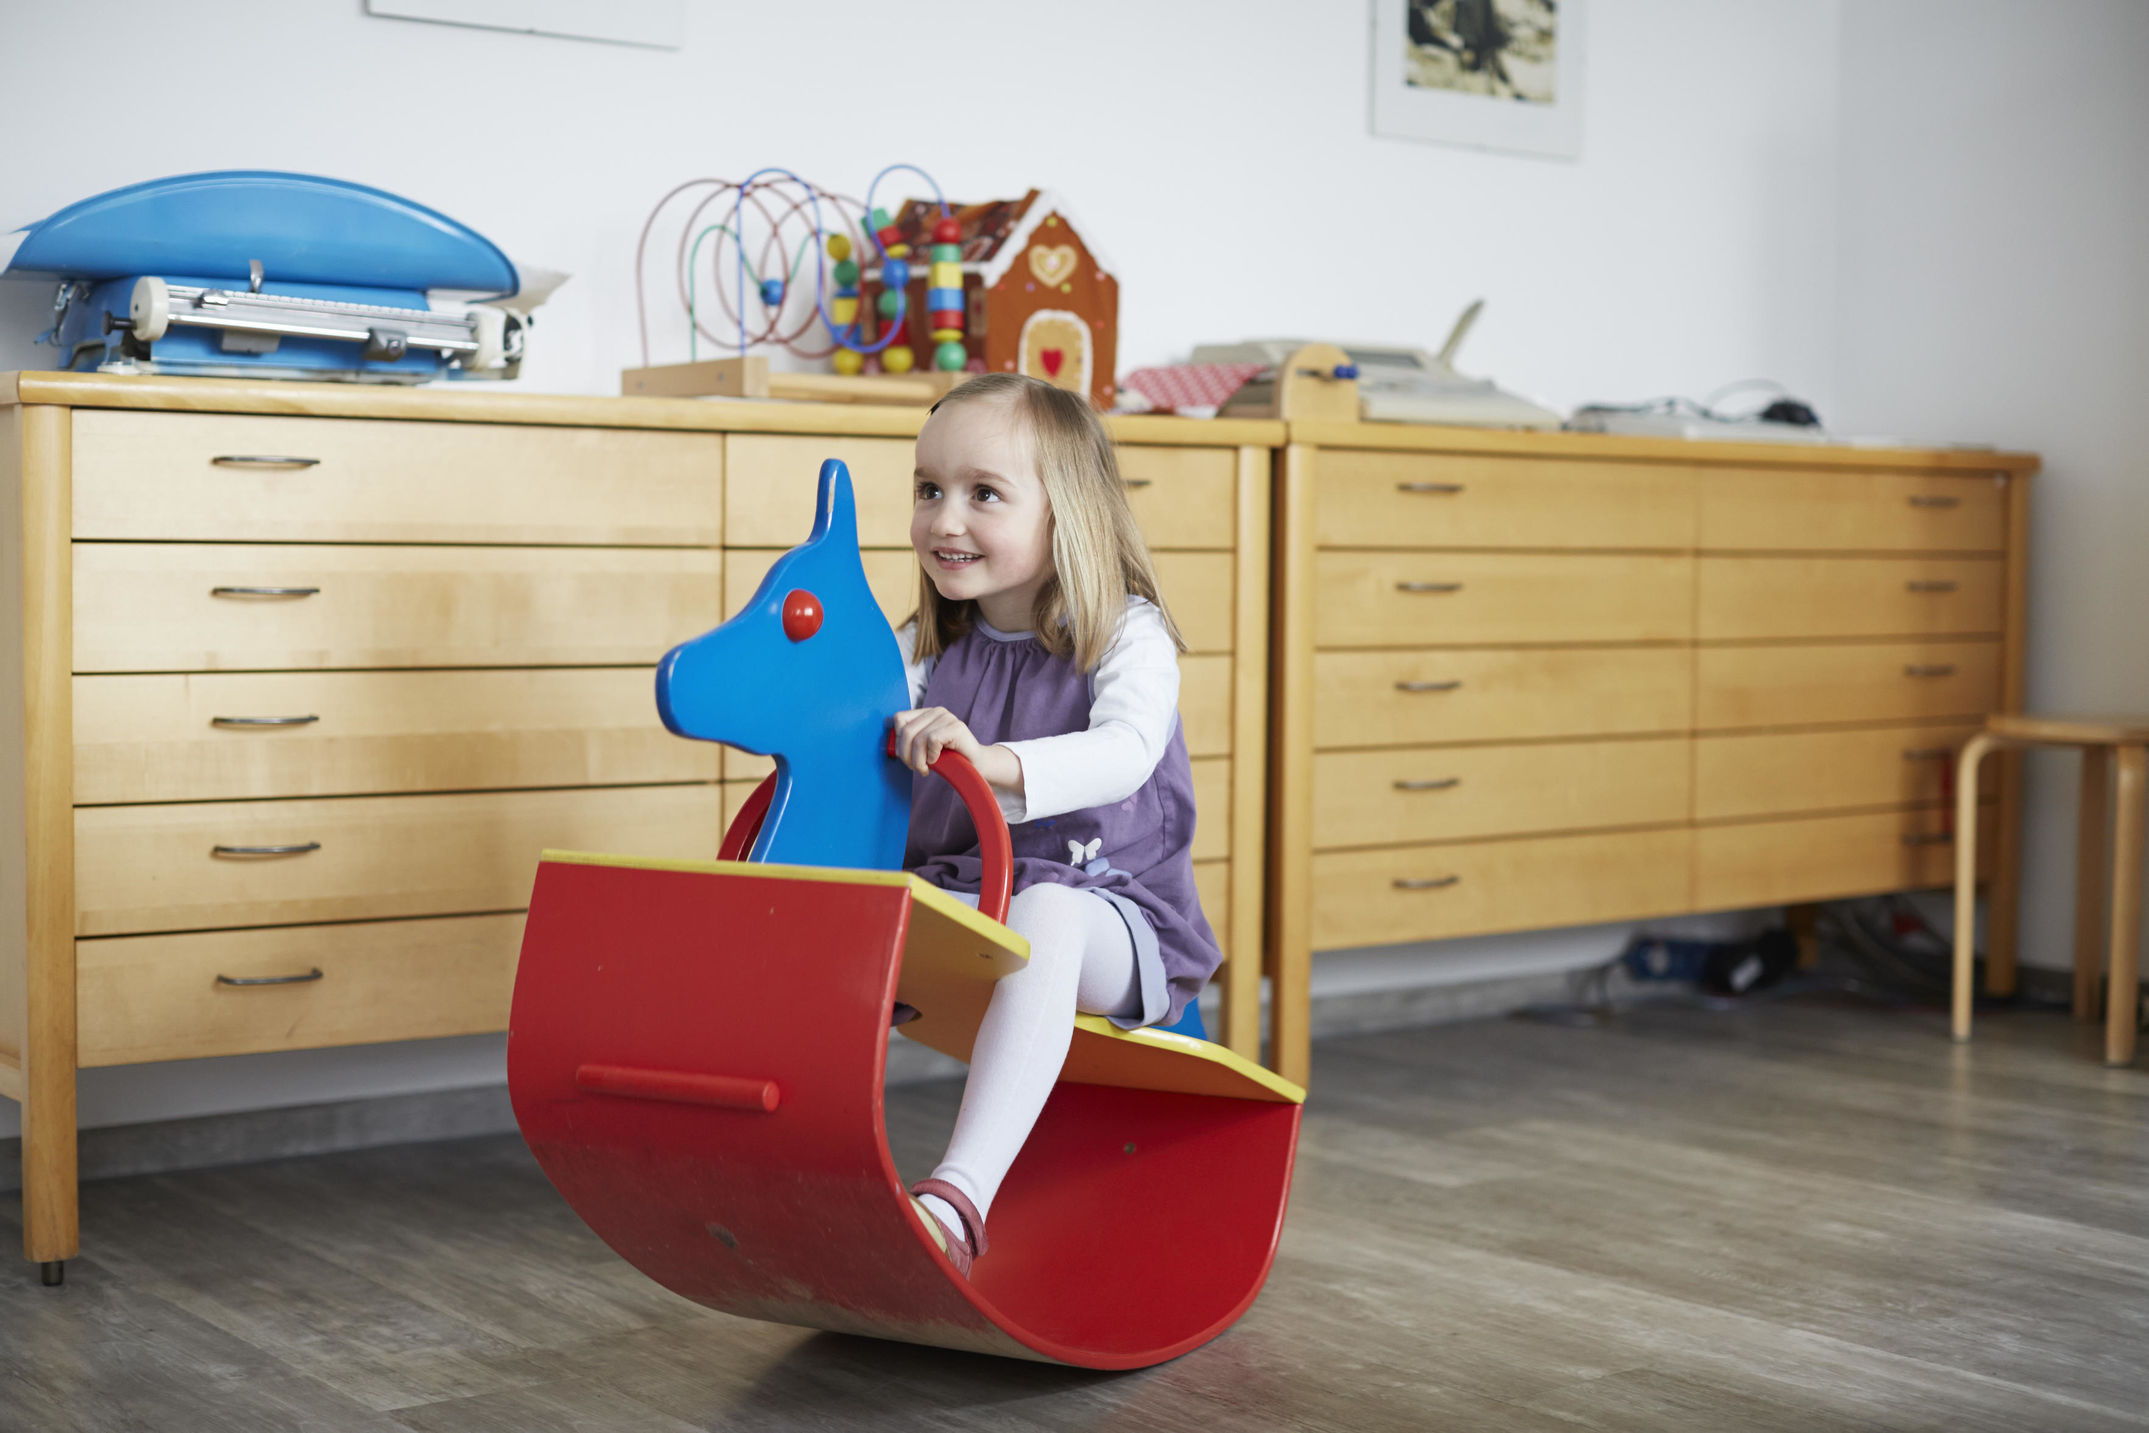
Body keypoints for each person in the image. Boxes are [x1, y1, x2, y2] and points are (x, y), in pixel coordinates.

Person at [889, 373, 1221, 1276]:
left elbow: (1123, 750)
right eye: (928, 489)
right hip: (970, 892)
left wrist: (991, 759)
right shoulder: (927, 646)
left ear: (1063, 510)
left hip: (1116, 916)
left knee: (1049, 913)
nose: (944, 519)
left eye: (983, 493)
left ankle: (958, 1198)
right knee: (836, 905)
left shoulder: (1125, 634)